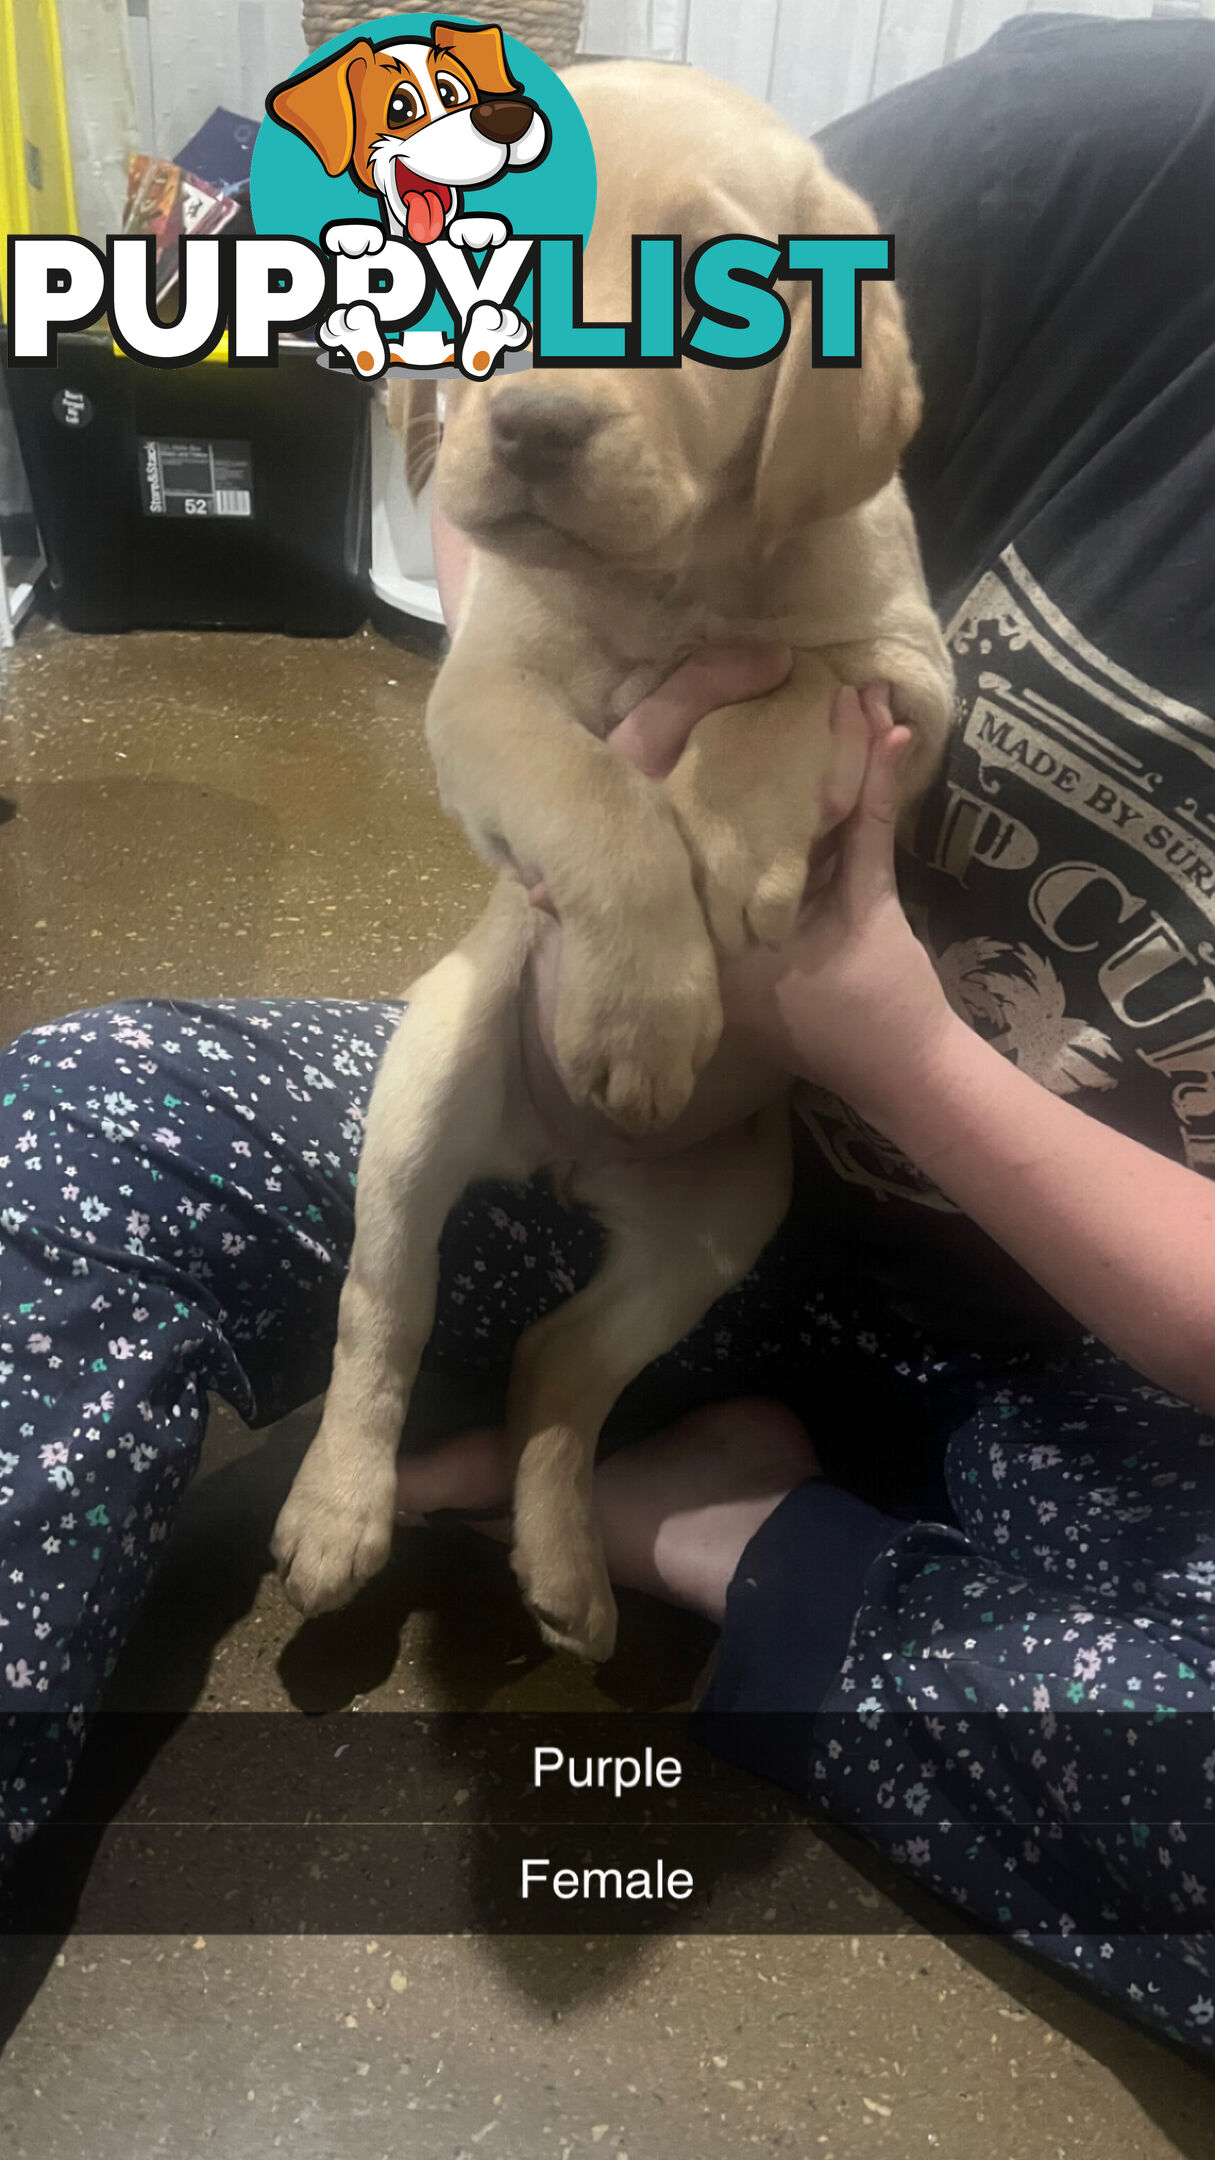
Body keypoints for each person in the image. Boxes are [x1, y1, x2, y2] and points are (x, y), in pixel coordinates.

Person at [2, 10, 1215, 2049]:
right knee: (63, 1134)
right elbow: (511, 470)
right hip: (584, 1052)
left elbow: (877, 665)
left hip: (1068, 1340)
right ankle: (426, 1412)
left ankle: (684, 1506)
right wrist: (569, 685)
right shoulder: (1103, 149)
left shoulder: (836, 491)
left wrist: (875, 1033)